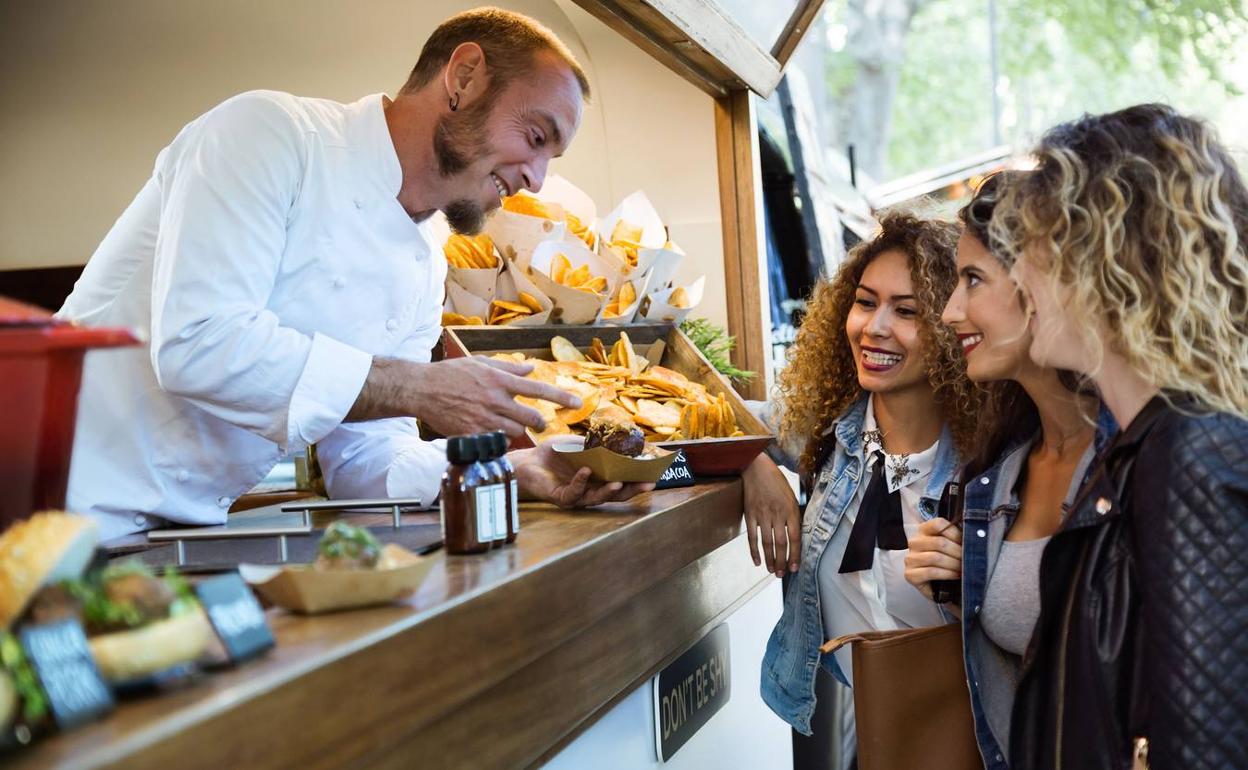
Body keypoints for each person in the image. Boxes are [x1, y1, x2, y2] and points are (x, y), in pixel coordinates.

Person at [57, 8, 651, 541]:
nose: (538, 179)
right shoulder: (269, 135)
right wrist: (420, 388)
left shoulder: (427, 258)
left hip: (172, 536)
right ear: (464, 77)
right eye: (535, 136)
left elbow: (365, 463)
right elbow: (198, 344)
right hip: (49, 504)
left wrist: (507, 466)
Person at [996, 104, 1248, 770]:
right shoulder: (1148, 447)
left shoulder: (1189, 451)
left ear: (1107, 255)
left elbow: (1207, 750)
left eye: (1035, 244)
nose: (1019, 274)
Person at [903, 173, 1115, 770]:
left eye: (973, 281)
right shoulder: (1000, 473)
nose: (948, 312)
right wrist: (955, 589)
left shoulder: (1138, 467)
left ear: (1042, 286)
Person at [745, 210, 980, 737]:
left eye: (907, 311)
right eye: (865, 302)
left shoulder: (988, 469)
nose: (874, 328)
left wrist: (974, 584)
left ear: (954, 326)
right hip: (874, 733)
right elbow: (714, 421)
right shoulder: (827, 431)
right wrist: (753, 463)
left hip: (970, 740)